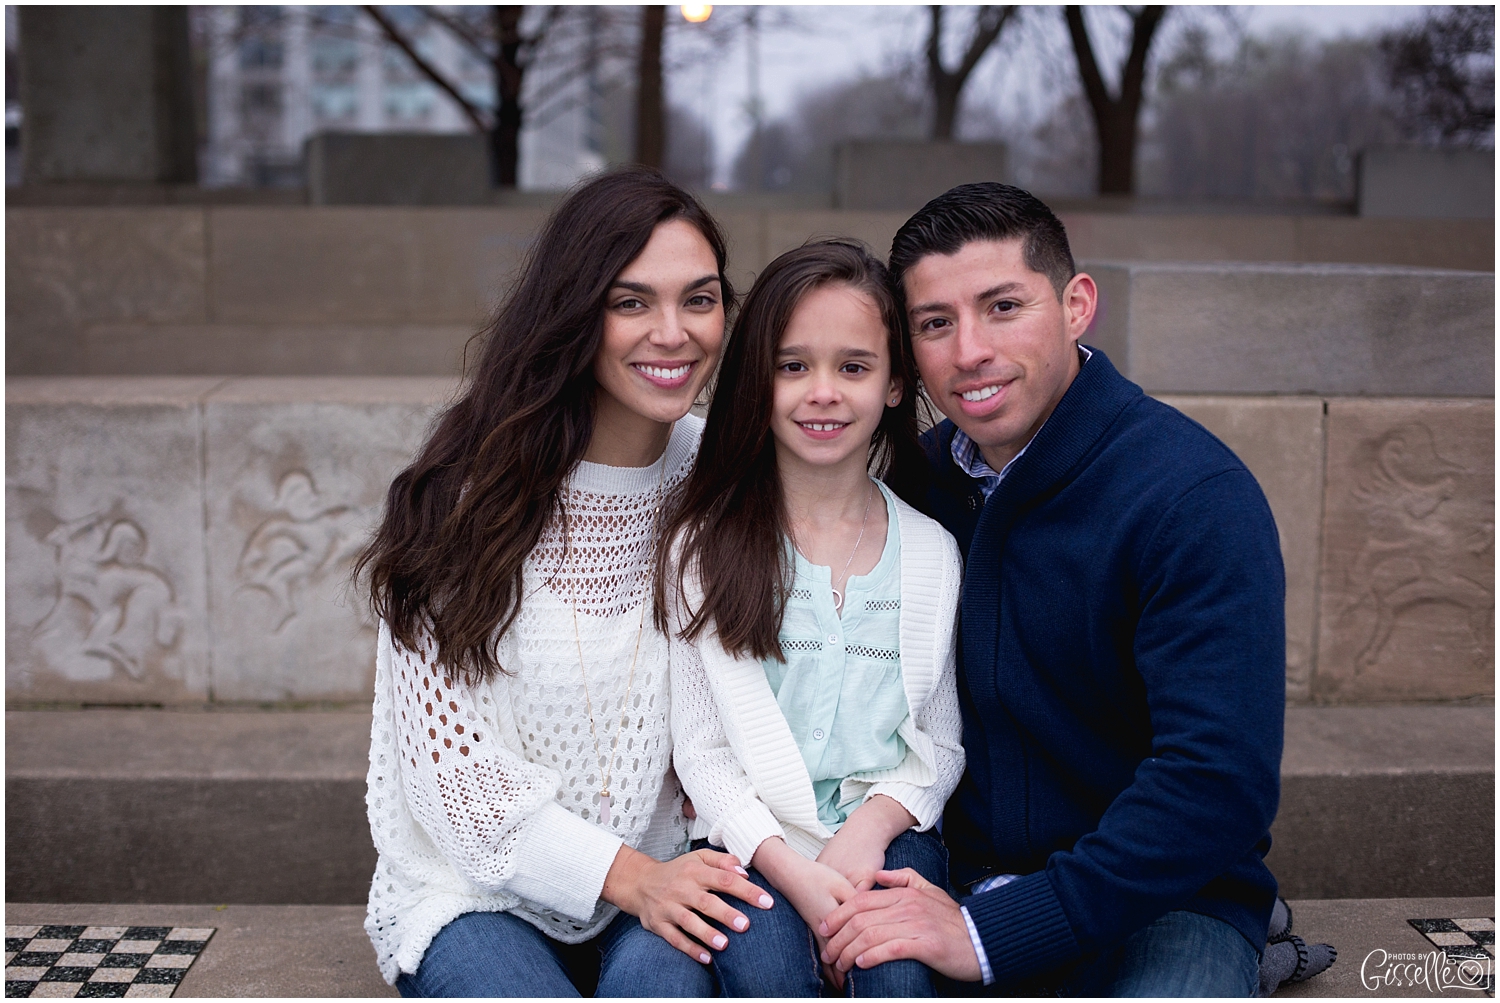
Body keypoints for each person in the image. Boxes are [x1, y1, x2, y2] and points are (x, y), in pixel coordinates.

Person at [817, 183, 1286, 996]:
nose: (969, 350)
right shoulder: (909, 489)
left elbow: (1217, 781)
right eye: (935, 322)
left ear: (1077, 306)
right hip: (946, 876)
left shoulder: (1193, 495)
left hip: (1164, 899)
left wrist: (996, 932)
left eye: (1003, 306)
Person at [356, 168, 775, 998]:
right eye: (631, 303)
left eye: (699, 299)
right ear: (575, 313)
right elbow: (456, 783)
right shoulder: (462, 500)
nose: (674, 332)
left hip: (671, 875)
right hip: (479, 897)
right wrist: (627, 876)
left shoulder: (724, 479)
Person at [659, 240, 966, 996]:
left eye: (853, 367)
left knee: (894, 971)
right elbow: (701, 753)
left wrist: (868, 834)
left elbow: (942, 743)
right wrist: (793, 871)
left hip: (885, 839)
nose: (821, 392)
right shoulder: (704, 546)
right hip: (750, 848)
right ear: (757, 382)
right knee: (770, 980)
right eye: (792, 366)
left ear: (896, 384)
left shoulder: (931, 552)